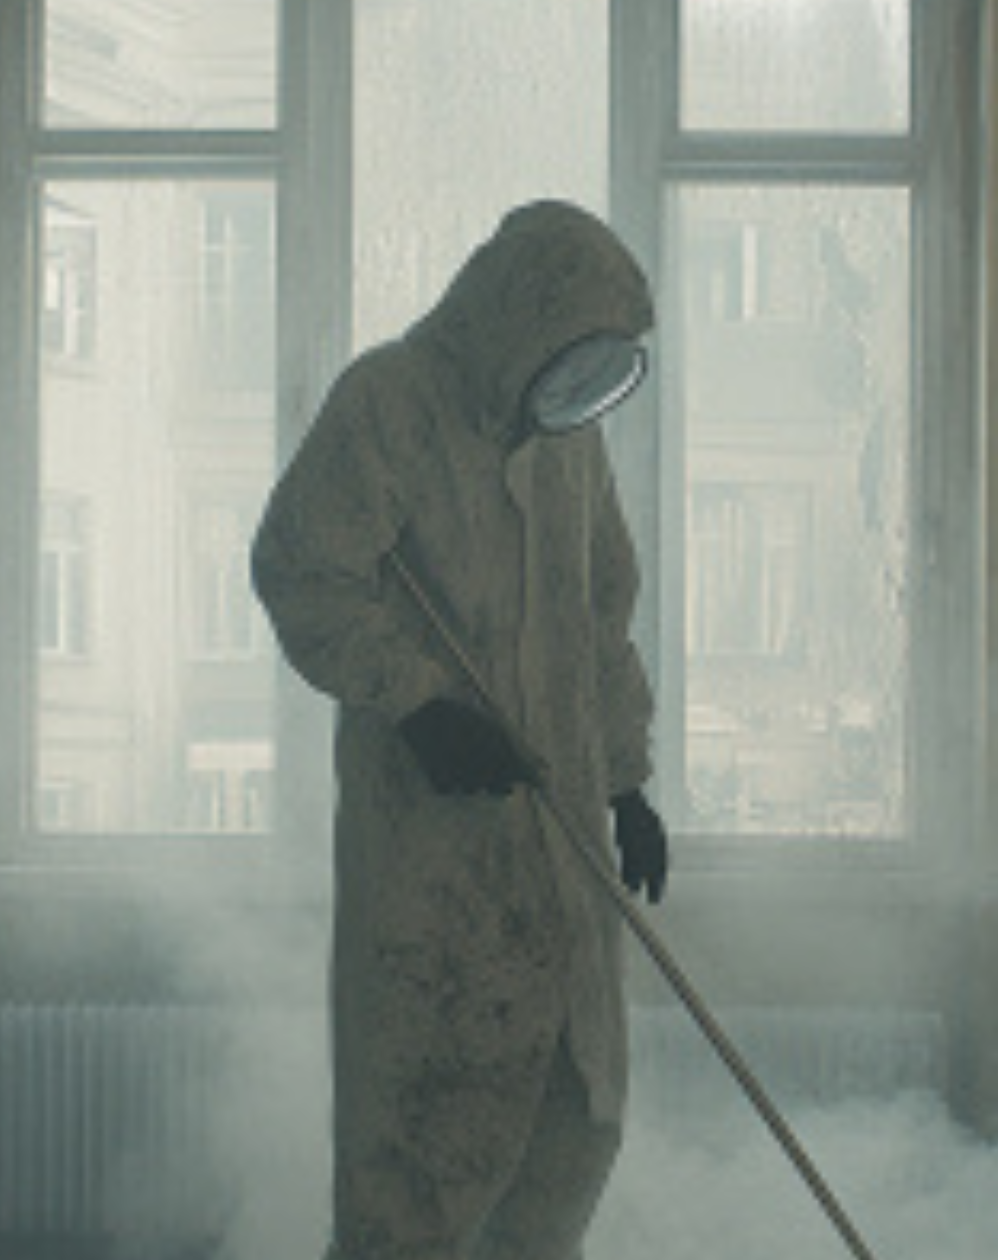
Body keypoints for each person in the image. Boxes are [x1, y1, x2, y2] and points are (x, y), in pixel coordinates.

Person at [251, 200, 670, 1260]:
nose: (570, 396)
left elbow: (600, 614)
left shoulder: (567, 439)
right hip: (437, 859)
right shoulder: (387, 403)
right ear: (512, 320)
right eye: (564, 363)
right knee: (422, 1155)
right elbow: (301, 568)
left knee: (566, 1134)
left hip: (562, 851)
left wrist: (624, 779)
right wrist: (419, 703)